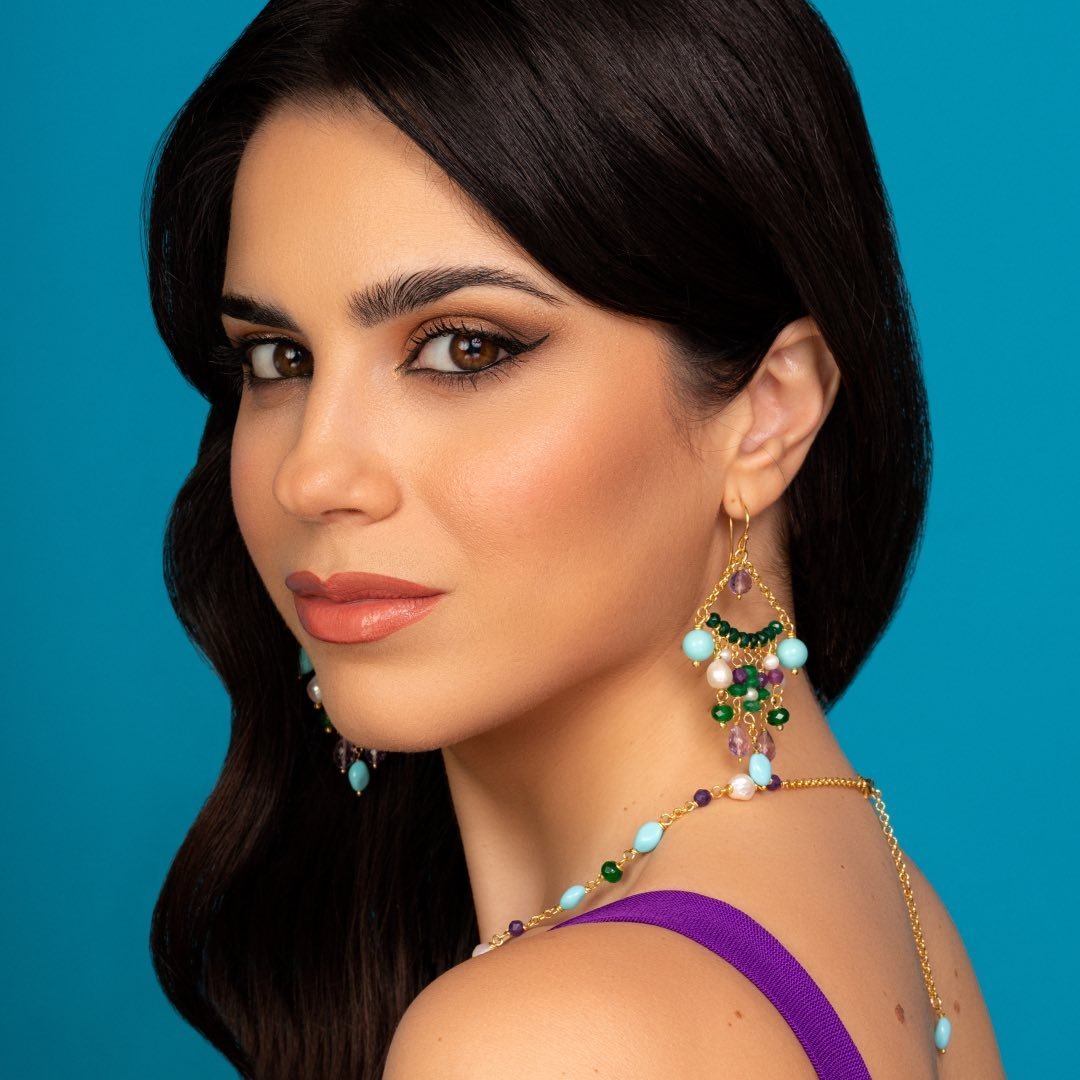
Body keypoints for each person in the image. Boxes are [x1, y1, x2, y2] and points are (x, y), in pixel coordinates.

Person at [145, 1, 1004, 1076]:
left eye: (464, 349)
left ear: (769, 412)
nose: (312, 475)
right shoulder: (894, 915)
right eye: (278, 358)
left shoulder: (540, 1037)